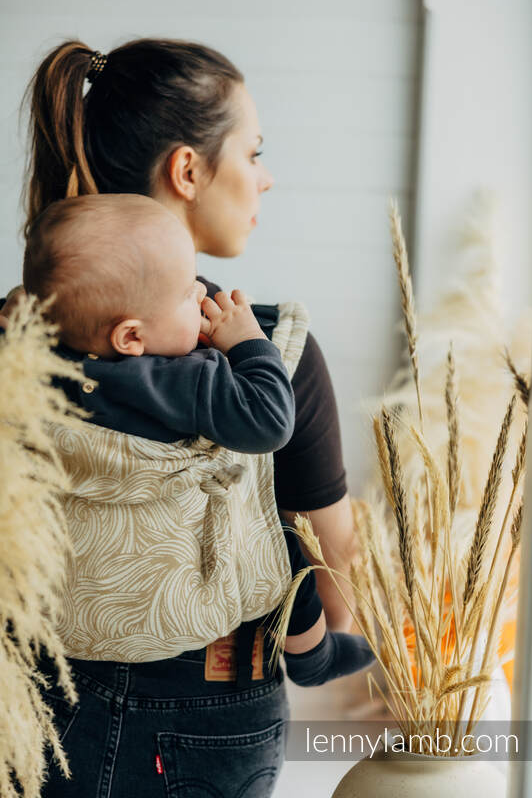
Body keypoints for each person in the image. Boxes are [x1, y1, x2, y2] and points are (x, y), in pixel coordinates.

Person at [0, 39, 362, 797]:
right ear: (188, 170)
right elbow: (337, 579)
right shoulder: (271, 349)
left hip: (31, 700)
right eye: (253, 152)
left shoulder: (18, 341)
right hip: (209, 711)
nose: (264, 177)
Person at [22, 191, 373, 691]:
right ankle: (310, 651)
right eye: (189, 292)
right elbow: (270, 420)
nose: (204, 298)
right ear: (131, 338)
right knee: (278, 541)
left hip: (66, 614)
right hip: (189, 607)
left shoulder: (38, 366)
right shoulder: (186, 378)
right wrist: (247, 340)